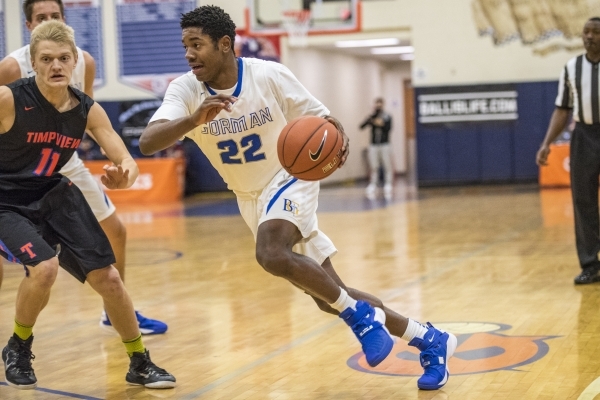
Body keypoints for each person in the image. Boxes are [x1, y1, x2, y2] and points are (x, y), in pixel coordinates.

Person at [139, 5, 456, 391]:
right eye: (185, 45)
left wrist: (333, 144)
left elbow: (326, 123)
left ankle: (359, 319)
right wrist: (193, 119)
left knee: (270, 253)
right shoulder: (185, 90)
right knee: (329, 294)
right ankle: (429, 340)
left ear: (224, 45)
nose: (188, 53)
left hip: (290, 177)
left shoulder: (267, 75)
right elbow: (148, 140)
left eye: (197, 44)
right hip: (249, 196)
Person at [0, 20, 175, 390]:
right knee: (45, 268)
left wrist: (123, 174)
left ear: (76, 60)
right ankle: (19, 345)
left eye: (64, 58)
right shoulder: (8, 99)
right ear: (33, 62)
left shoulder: (86, 110)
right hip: (7, 201)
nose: (56, 66)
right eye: (46, 59)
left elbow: (126, 161)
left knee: (109, 278)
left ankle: (139, 361)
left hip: (53, 193)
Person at [537, 17, 600, 285]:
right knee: (583, 201)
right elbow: (562, 110)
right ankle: (590, 264)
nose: (590, 36)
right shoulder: (571, 67)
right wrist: (546, 143)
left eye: (596, 32)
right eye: (586, 32)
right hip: (583, 136)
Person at [359, 98, 393, 200]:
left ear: (383, 105)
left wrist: (377, 122)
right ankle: (373, 184)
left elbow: (387, 127)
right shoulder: (372, 116)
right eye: (376, 104)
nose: (378, 106)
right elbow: (361, 126)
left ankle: (388, 184)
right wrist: (370, 119)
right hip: (373, 144)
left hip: (385, 144)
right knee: (374, 165)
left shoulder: (387, 116)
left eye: (380, 104)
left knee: (387, 164)